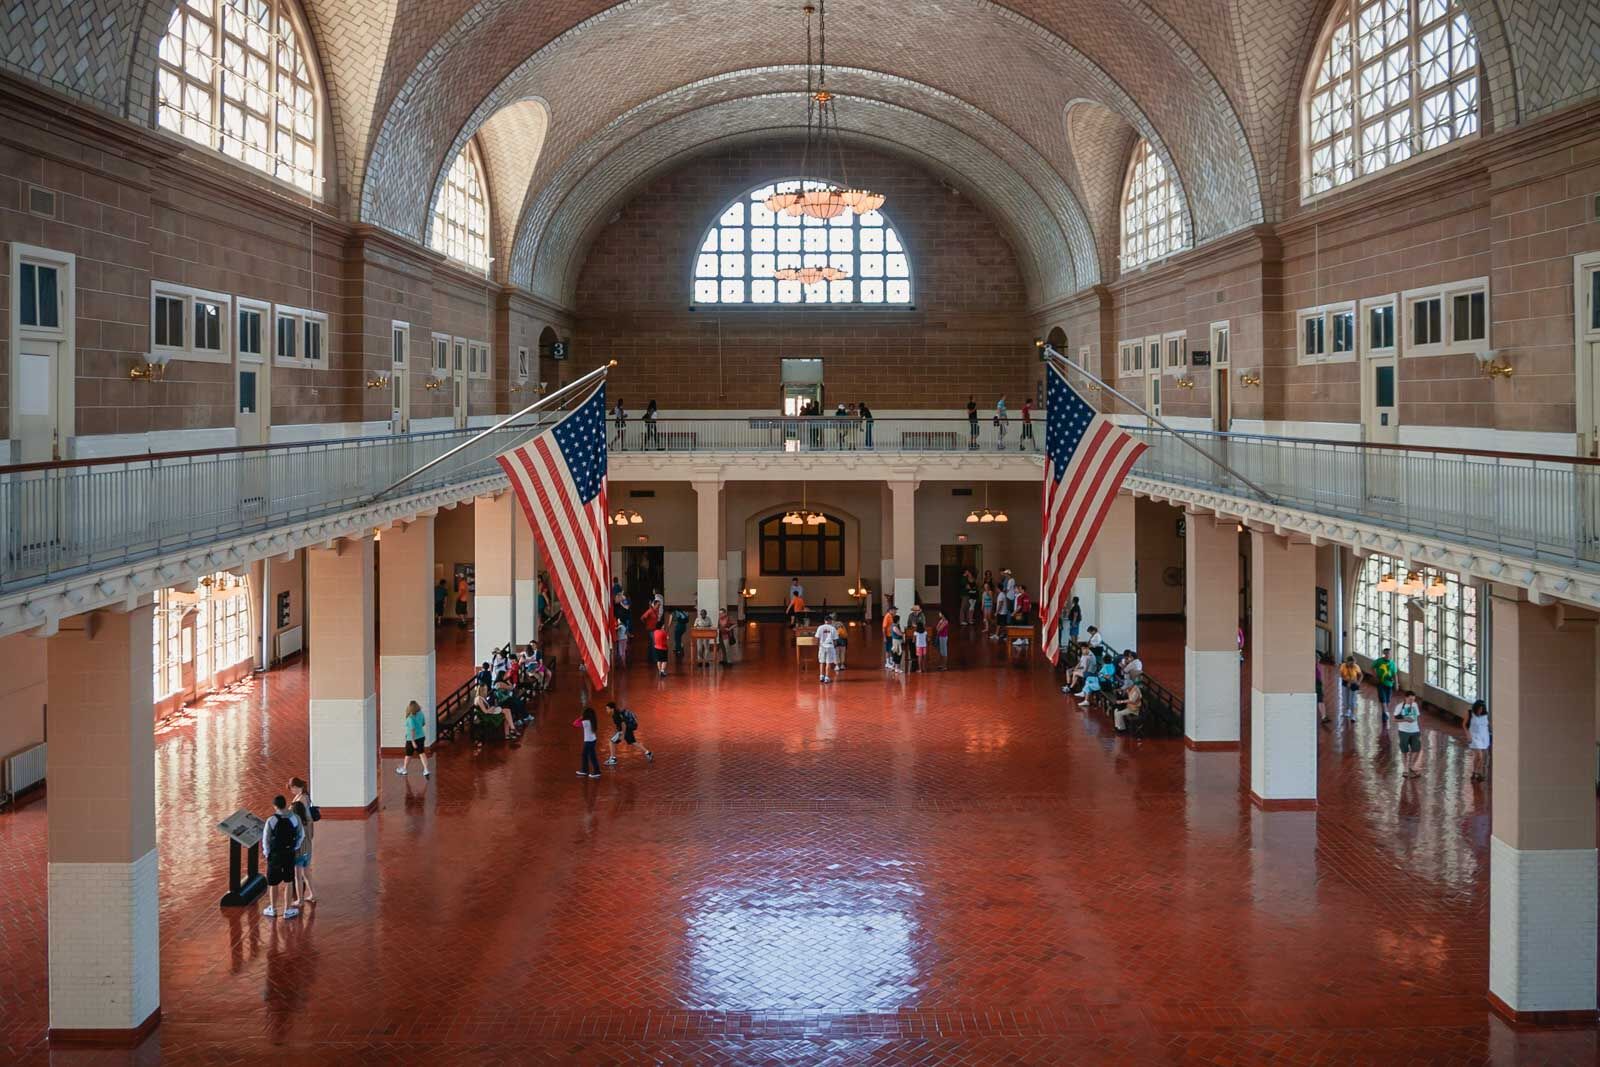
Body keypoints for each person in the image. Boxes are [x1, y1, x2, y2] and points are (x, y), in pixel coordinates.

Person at [261, 795, 303, 919]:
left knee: (273, 882)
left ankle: (273, 908)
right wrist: (294, 847)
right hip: (289, 853)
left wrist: (267, 853)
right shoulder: (295, 818)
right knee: (289, 880)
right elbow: (301, 835)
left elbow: (266, 839)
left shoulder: (271, 820)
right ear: (285, 804)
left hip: (275, 854)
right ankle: (287, 909)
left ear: (275, 806)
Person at [287, 777, 316, 907]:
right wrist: (310, 836)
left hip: (300, 846)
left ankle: (300, 899)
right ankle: (312, 894)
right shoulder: (303, 796)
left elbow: (308, 818)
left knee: (298, 874)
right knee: (306, 870)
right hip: (307, 845)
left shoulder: (302, 799)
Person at [398, 699, 430, 777]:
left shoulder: (410, 718)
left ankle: (404, 769)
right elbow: (423, 723)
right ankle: (426, 769)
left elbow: (412, 729)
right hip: (421, 737)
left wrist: (412, 741)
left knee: (408, 755)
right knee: (422, 753)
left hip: (411, 739)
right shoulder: (421, 714)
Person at [1395, 690, 1423, 777]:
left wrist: (1418, 727)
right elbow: (1395, 719)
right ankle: (1405, 768)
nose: (1412, 701)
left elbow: (1417, 717)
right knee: (1404, 751)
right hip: (1404, 731)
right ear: (1406, 698)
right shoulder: (1399, 707)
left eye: (1413, 699)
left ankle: (1412, 765)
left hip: (1415, 730)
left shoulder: (1415, 705)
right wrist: (1406, 719)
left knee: (1416, 749)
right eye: (1410, 699)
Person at [1465, 699, 1490, 781]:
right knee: (1479, 755)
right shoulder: (1470, 714)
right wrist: (1468, 735)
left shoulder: (1485, 715)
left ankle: (1476, 772)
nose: (1480, 711)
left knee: (1480, 757)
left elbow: (1486, 725)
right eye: (1479, 709)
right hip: (1474, 737)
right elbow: (1464, 725)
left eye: (1482, 709)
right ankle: (1477, 773)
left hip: (1484, 737)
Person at [574, 706, 601, 778]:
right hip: (592, 740)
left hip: (588, 741)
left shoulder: (585, 722)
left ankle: (596, 772)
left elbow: (575, 723)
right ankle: (585, 770)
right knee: (586, 755)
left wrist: (580, 718)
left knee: (591, 757)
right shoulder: (592, 721)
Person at [1373, 648, 1397, 722]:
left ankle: (1384, 714)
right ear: (1384, 654)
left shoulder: (1392, 663)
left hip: (1389, 684)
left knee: (1388, 701)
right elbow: (1372, 667)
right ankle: (1386, 714)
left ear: (1391, 654)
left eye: (1389, 654)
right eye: (1386, 654)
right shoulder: (1379, 661)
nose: (1387, 655)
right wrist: (1376, 676)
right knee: (1383, 700)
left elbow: (1395, 674)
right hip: (1381, 683)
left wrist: (1396, 684)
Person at [815, 614, 839, 684]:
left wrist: (818, 645)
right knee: (828, 662)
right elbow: (835, 640)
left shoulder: (820, 627)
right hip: (830, 647)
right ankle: (827, 678)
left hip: (822, 646)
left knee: (822, 661)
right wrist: (834, 647)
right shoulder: (833, 628)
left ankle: (821, 676)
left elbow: (817, 638)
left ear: (824, 621)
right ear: (830, 621)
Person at [1338, 654, 1362, 722]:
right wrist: (1348, 681)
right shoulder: (1343, 666)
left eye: (1353, 663)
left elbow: (1360, 675)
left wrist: (1358, 682)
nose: (1352, 665)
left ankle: (1353, 715)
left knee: (1353, 700)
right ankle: (1347, 710)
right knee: (1345, 698)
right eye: (1350, 663)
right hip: (1345, 683)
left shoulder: (1356, 667)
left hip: (1354, 683)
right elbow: (1341, 675)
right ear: (1347, 662)